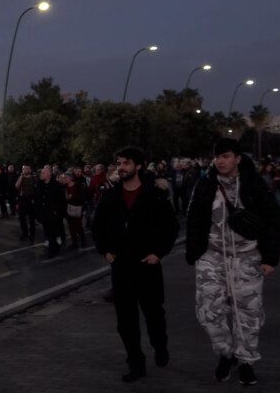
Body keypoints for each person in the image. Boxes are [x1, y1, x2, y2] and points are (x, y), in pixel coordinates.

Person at [185, 138, 280, 385]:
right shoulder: (205, 185)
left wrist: (270, 258)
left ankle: (246, 361)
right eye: (217, 156)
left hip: (247, 257)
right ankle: (225, 354)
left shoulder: (253, 184)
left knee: (248, 314)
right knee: (210, 311)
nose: (220, 161)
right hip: (212, 256)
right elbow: (194, 219)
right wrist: (195, 252)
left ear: (237, 158)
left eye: (226, 156)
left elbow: (272, 220)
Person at [92, 147, 179, 382]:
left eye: (126, 163)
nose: (121, 167)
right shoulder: (111, 196)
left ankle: (160, 346)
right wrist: (104, 250)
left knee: (154, 315)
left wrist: (158, 253)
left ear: (138, 166)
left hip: (147, 266)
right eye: (119, 163)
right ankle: (136, 363)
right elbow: (97, 225)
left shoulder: (154, 194)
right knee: (125, 320)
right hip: (121, 267)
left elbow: (170, 227)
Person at [34, 165, 65, 258]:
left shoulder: (57, 185)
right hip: (43, 214)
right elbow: (37, 198)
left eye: (43, 173)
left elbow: (61, 200)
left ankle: (52, 251)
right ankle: (55, 249)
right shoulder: (40, 184)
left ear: (48, 174)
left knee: (52, 233)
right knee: (47, 232)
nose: (41, 174)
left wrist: (56, 212)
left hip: (52, 214)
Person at [14, 164, 37, 244]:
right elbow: (16, 186)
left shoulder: (33, 178)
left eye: (27, 169)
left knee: (31, 219)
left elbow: (36, 188)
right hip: (22, 199)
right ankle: (25, 233)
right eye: (23, 169)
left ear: (30, 170)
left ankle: (32, 235)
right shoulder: (21, 177)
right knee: (22, 218)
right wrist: (21, 176)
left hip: (30, 199)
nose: (25, 170)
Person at [64, 172, 87, 249]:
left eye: (66, 177)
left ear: (71, 178)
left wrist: (72, 197)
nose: (64, 179)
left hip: (77, 208)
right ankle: (74, 243)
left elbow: (82, 196)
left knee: (78, 226)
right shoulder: (64, 186)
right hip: (68, 208)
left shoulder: (77, 185)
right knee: (71, 227)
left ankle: (83, 241)